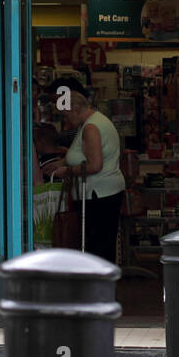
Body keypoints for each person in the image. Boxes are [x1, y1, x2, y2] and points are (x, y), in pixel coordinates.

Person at [50, 86, 124, 263]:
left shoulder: (90, 128)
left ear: (75, 110)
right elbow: (84, 155)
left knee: (98, 245)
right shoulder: (96, 121)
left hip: (97, 194)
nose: (65, 121)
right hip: (106, 192)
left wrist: (67, 171)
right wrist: (62, 163)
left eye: (66, 115)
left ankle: (98, 286)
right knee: (102, 244)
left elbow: (94, 165)